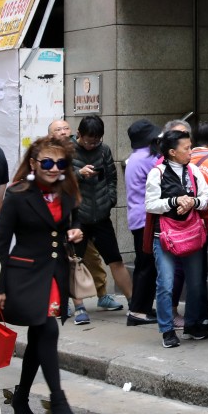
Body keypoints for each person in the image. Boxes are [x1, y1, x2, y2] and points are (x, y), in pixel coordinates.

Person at [0, 135, 84, 414]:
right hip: (25, 276)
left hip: (55, 274)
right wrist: (1, 288)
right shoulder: (18, 194)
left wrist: (75, 231)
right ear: (33, 163)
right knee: (46, 330)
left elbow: (75, 220)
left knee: (41, 335)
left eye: (60, 162)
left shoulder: (67, 190)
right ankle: (58, 401)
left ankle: (20, 397)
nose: (53, 167)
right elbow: (2, 243)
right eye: (47, 162)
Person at [146, 129, 208, 348]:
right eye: (186, 148)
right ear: (172, 152)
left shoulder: (193, 169)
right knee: (165, 283)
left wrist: (192, 202)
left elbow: (206, 197)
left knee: (195, 282)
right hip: (164, 235)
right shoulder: (157, 173)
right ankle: (167, 330)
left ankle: (192, 325)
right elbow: (151, 204)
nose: (190, 151)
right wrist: (175, 201)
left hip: (190, 232)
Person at [70, 115, 133, 325]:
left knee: (115, 259)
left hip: (101, 215)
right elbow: (58, 178)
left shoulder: (104, 150)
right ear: (79, 134)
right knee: (75, 263)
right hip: (77, 216)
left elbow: (112, 177)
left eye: (96, 141)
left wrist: (111, 199)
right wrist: (78, 174)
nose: (92, 145)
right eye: (89, 141)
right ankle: (79, 307)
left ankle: (134, 303)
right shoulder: (67, 150)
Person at [47, 118, 110, 313]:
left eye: (66, 128)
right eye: (59, 130)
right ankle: (68, 303)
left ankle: (101, 295)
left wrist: (110, 199)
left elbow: (109, 176)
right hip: (57, 217)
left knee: (91, 257)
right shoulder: (48, 155)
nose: (64, 132)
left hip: (82, 215)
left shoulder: (86, 150)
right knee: (65, 259)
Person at [124, 120, 160, 325]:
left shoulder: (135, 157)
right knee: (147, 266)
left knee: (143, 264)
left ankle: (141, 308)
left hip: (137, 218)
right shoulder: (149, 158)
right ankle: (138, 311)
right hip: (146, 218)